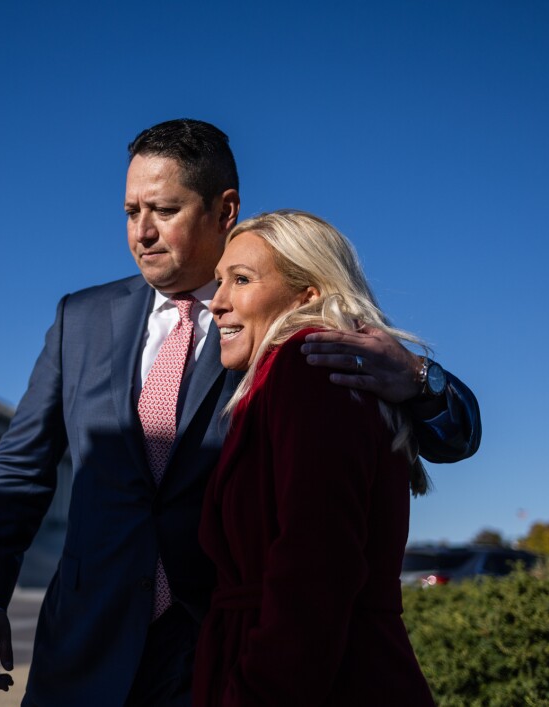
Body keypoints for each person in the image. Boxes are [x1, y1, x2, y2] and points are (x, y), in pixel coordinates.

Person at [0, 119, 478, 707]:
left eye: (164, 209)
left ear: (223, 208)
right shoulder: (79, 319)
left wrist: (417, 379)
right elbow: (20, 468)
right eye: (131, 211)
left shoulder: (279, 324)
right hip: (83, 642)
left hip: (218, 648)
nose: (142, 232)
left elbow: (449, 439)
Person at [195, 210, 435, 705]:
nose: (215, 304)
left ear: (309, 294)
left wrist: (254, 692)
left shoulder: (308, 365)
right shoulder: (289, 374)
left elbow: (315, 566)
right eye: (220, 282)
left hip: (325, 678)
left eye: (240, 280)